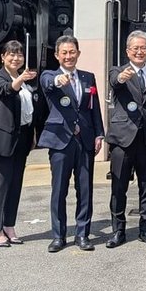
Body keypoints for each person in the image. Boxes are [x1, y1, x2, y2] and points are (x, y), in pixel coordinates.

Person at [38, 35, 104, 253]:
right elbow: (48, 84)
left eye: (72, 52)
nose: (68, 56)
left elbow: (94, 108)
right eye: (64, 53)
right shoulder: (50, 75)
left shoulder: (88, 77)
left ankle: (82, 234)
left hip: (85, 140)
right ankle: (59, 235)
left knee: (84, 189)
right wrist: (59, 81)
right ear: (57, 55)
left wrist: (99, 134)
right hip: (60, 141)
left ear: (78, 53)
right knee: (59, 190)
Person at [106, 30, 146, 249]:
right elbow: (115, 82)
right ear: (128, 51)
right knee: (119, 185)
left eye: (144, 48)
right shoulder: (118, 71)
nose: (140, 52)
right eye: (136, 48)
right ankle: (118, 230)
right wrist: (122, 78)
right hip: (123, 139)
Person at [0, 40, 38, 247]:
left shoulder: (24, 81)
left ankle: (9, 225)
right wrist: (21, 79)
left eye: (19, 55)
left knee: (15, 184)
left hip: (22, 138)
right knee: (1, 184)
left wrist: (33, 134)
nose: (16, 58)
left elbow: (29, 111)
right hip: (2, 139)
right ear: (3, 57)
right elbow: (7, 90)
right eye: (11, 55)